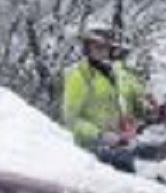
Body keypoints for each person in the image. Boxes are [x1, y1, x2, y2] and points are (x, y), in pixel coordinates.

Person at [62, 25, 150, 173]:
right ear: (87, 48)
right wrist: (99, 135)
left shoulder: (112, 72)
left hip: (117, 143)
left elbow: (115, 106)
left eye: (105, 47)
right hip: (89, 150)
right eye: (97, 47)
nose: (102, 51)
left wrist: (129, 122)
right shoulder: (79, 75)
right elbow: (71, 119)